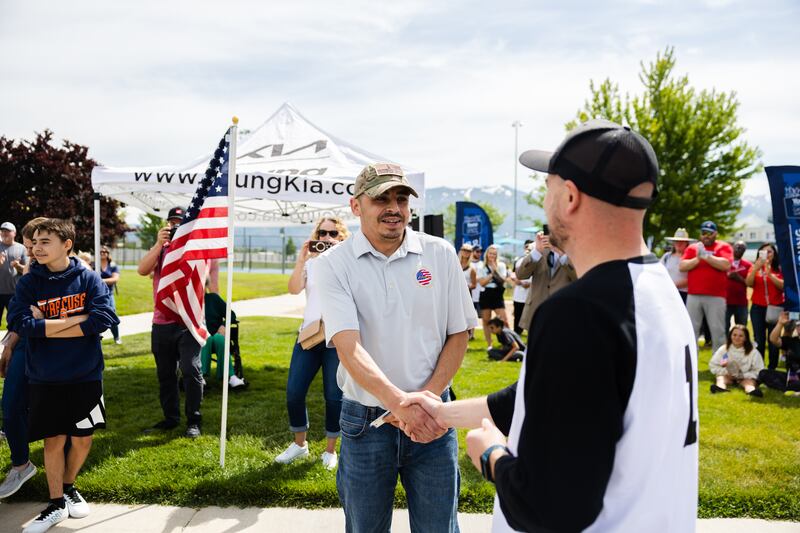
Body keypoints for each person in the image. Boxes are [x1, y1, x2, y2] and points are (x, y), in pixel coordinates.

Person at [403, 120, 698, 532]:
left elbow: (550, 506)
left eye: (548, 187)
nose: (545, 200)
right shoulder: (656, 287)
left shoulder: (581, 311)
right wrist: (442, 413)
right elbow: (547, 394)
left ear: (570, 197)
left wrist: (491, 454)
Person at [316, 162, 478, 532]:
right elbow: (348, 347)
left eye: (401, 198)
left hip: (433, 418)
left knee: (439, 528)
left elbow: (459, 334)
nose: (394, 208)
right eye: (381, 199)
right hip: (366, 423)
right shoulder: (333, 264)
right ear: (356, 206)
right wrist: (402, 405)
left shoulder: (439, 253)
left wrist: (425, 402)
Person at [7, 219, 118, 532]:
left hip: (85, 374)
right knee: (53, 440)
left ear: (66, 245)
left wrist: (45, 324)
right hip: (45, 376)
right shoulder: (30, 282)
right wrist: (77, 321)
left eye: (45, 241)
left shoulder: (88, 278)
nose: (37, 248)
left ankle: (69, 486)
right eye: (35, 242)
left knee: (82, 439)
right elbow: (20, 323)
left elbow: (104, 318)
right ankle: (56, 503)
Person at [276, 216, 349, 470]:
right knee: (294, 392)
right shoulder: (311, 263)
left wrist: (338, 256)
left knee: (334, 395)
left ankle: (330, 450)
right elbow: (293, 289)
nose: (326, 238)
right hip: (308, 334)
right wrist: (301, 260)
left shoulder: (348, 262)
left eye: (333, 234)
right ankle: (300, 445)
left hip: (336, 337)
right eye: (322, 233)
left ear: (341, 237)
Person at [137, 207, 204, 438]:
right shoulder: (161, 249)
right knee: (165, 374)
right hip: (162, 321)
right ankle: (171, 418)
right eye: (172, 223)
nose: (176, 227)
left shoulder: (195, 247)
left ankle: (194, 420)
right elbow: (142, 270)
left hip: (188, 321)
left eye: (180, 223)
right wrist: (159, 244)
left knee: (190, 369)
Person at [0, 218, 47, 501]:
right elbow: (20, 316)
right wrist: (9, 345)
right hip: (24, 342)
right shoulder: (30, 272)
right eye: (29, 247)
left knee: (53, 412)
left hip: (56, 349)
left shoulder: (75, 272)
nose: (31, 253)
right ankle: (21, 464)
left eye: (36, 246)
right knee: (11, 404)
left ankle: (64, 481)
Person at [680, 221, 733, 352]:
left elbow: (726, 265)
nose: (706, 236)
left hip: (716, 296)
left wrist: (706, 256)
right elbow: (682, 266)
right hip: (693, 295)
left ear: (715, 234)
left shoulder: (723, 247)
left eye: (709, 233)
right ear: (700, 234)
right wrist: (698, 258)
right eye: (704, 233)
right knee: (691, 330)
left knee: (718, 331)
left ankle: (719, 362)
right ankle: (692, 361)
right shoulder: (693, 248)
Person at [514, 228, 576, 333]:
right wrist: (537, 251)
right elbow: (521, 275)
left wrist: (562, 254)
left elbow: (579, 277)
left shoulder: (572, 249)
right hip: (537, 309)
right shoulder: (537, 247)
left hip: (563, 309)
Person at [746, 242, 784, 370]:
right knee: (759, 339)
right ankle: (759, 368)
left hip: (775, 307)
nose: (767, 254)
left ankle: (772, 368)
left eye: (770, 252)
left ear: (774, 254)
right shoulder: (755, 267)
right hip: (758, 308)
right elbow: (749, 283)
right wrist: (755, 269)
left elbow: (783, 286)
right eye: (763, 252)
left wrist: (769, 274)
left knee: (773, 339)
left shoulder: (780, 268)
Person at [200, 289, 246, 389]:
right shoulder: (189, 301)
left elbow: (231, 315)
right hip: (199, 337)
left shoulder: (213, 298)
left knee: (220, 339)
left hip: (216, 334)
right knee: (207, 339)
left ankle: (231, 377)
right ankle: (200, 377)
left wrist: (224, 325)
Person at [709, 324, 763, 396]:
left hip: (746, 377)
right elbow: (713, 365)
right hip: (728, 376)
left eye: (741, 336)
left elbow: (759, 370)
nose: (737, 338)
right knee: (720, 378)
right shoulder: (724, 349)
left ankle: (751, 391)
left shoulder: (753, 352)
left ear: (746, 338)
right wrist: (726, 372)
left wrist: (742, 375)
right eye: (734, 335)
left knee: (749, 383)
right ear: (730, 336)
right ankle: (720, 388)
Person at [477, 245, 509, 348]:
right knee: (486, 320)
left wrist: (496, 270)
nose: (492, 256)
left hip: (497, 293)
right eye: (490, 253)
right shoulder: (481, 266)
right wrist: (492, 273)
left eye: (494, 254)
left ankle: (508, 342)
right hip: (486, 294)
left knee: (504, 320)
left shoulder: (501, 265)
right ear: (487, 254)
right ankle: (489, 344)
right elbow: (482, 283)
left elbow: (503, 280)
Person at [0, 222, 28, 324]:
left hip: (14, 292)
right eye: (2, 231)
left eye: (7, 231)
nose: (4, 233)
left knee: (15, 321)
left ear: (14, 233)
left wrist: (17, 266)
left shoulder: (22, 248)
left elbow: (27, 270)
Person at [97, 245, 122, 344]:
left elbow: (115, 279)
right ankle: (97, 337)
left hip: (108, 294)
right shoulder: (94, 264)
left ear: (108, 254)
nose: (103, 253)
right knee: (95, 314)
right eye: (101, 252)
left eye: (105, 252)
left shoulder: (112, 265)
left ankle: (116, 337)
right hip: (96, 294)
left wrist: (100, 280)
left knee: (111, 314)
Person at [661, 228, 693, 303]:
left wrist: (674, 285)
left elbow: (692, 278)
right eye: (677, 241)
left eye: (682, 242)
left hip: (684, 294)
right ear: (673, 243)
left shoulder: (691, 257)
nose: (679, 244)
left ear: (686, 243)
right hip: (667, 292)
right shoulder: (666, 257)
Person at [508, 240, 533, 334]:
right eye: (527, 247)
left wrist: (530, 284)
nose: (528, 249)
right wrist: (519, 282)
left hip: (531, 294)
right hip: (519, 295)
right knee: (518, 315)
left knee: (531, 316)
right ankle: (517, 333)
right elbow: (512, 274)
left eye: (530, 247)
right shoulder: (518, 260)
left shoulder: (538, 259)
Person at [726, 241, 751, 328]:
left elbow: (750, 283)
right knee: (724, 327)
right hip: (726, 301)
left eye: (741, 248)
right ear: (732, 247)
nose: (738, 249)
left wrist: (739, 278)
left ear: (744, 251)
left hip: (741, 302)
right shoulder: (725, 262)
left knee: (741, 327)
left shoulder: (748, 265)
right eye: (737, 247)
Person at [470, 245, 483, 315]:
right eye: (477, 251)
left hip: (480, 295)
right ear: (472, 252)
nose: (479, 253)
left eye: (480, 252)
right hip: (470, 295)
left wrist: (474, 279)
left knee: (481, 316)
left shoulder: (482, 264)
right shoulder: (469, 264)